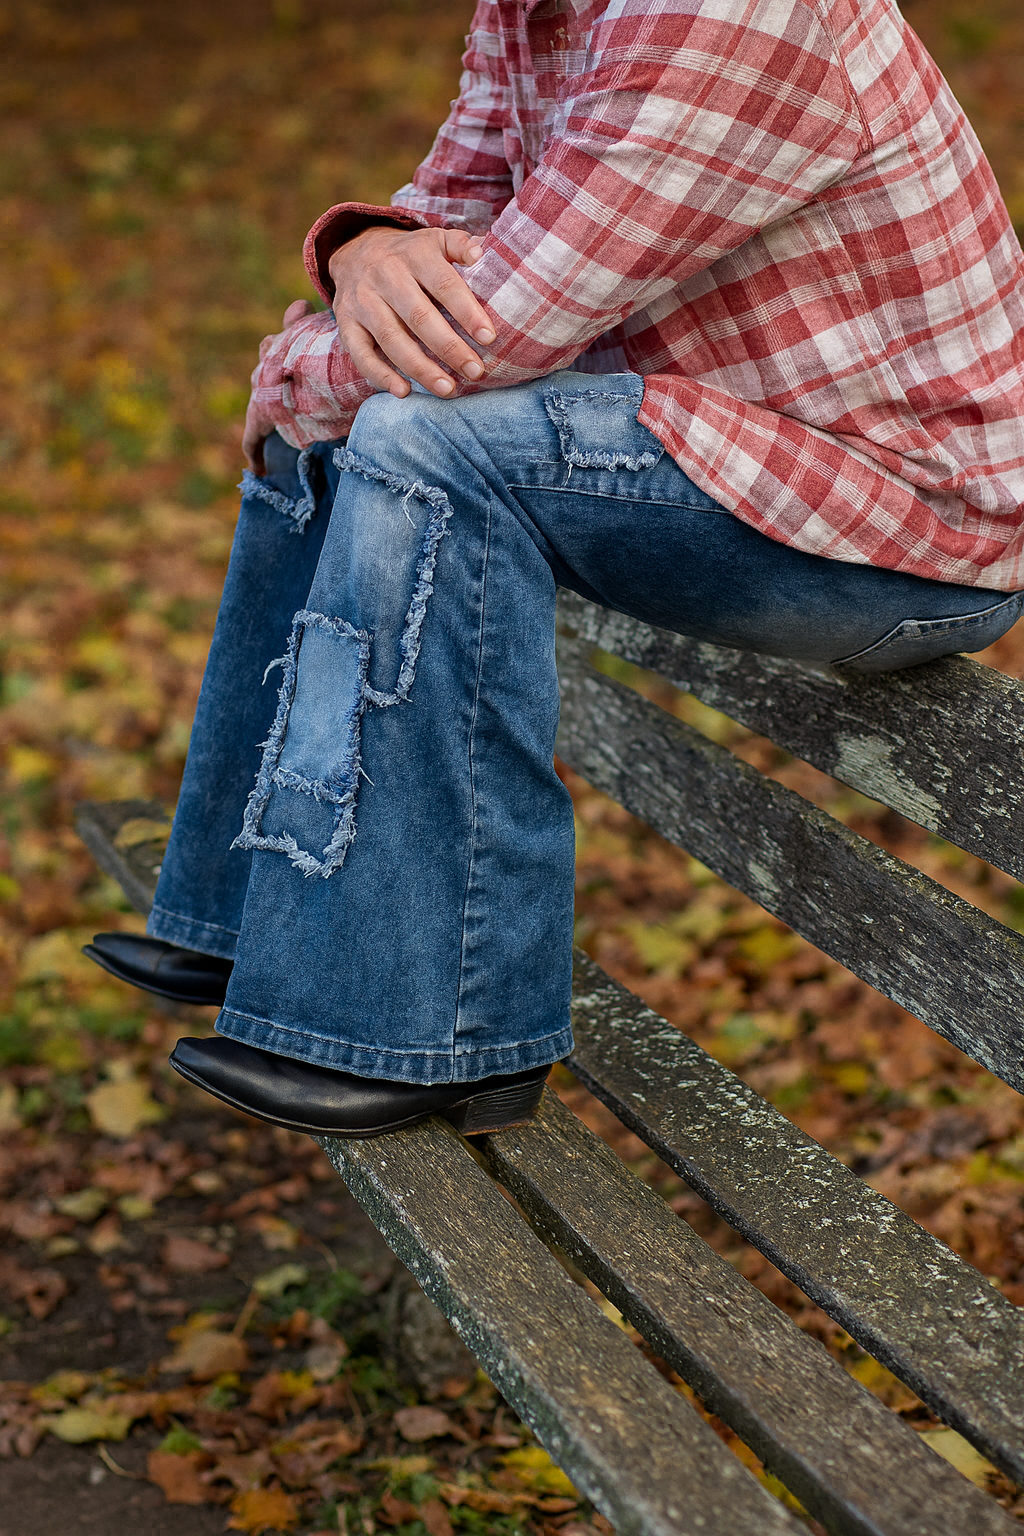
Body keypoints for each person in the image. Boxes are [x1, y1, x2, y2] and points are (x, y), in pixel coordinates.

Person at [85, 0, 1024, 1138]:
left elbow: (489, 333)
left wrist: (287, 365)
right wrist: (366, 248)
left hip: (904, 524)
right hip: (714, 452)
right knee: (340, 430)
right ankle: (242, 906)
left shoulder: (727, 9)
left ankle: (438, 1029)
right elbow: (448, 222)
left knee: (414, 436)